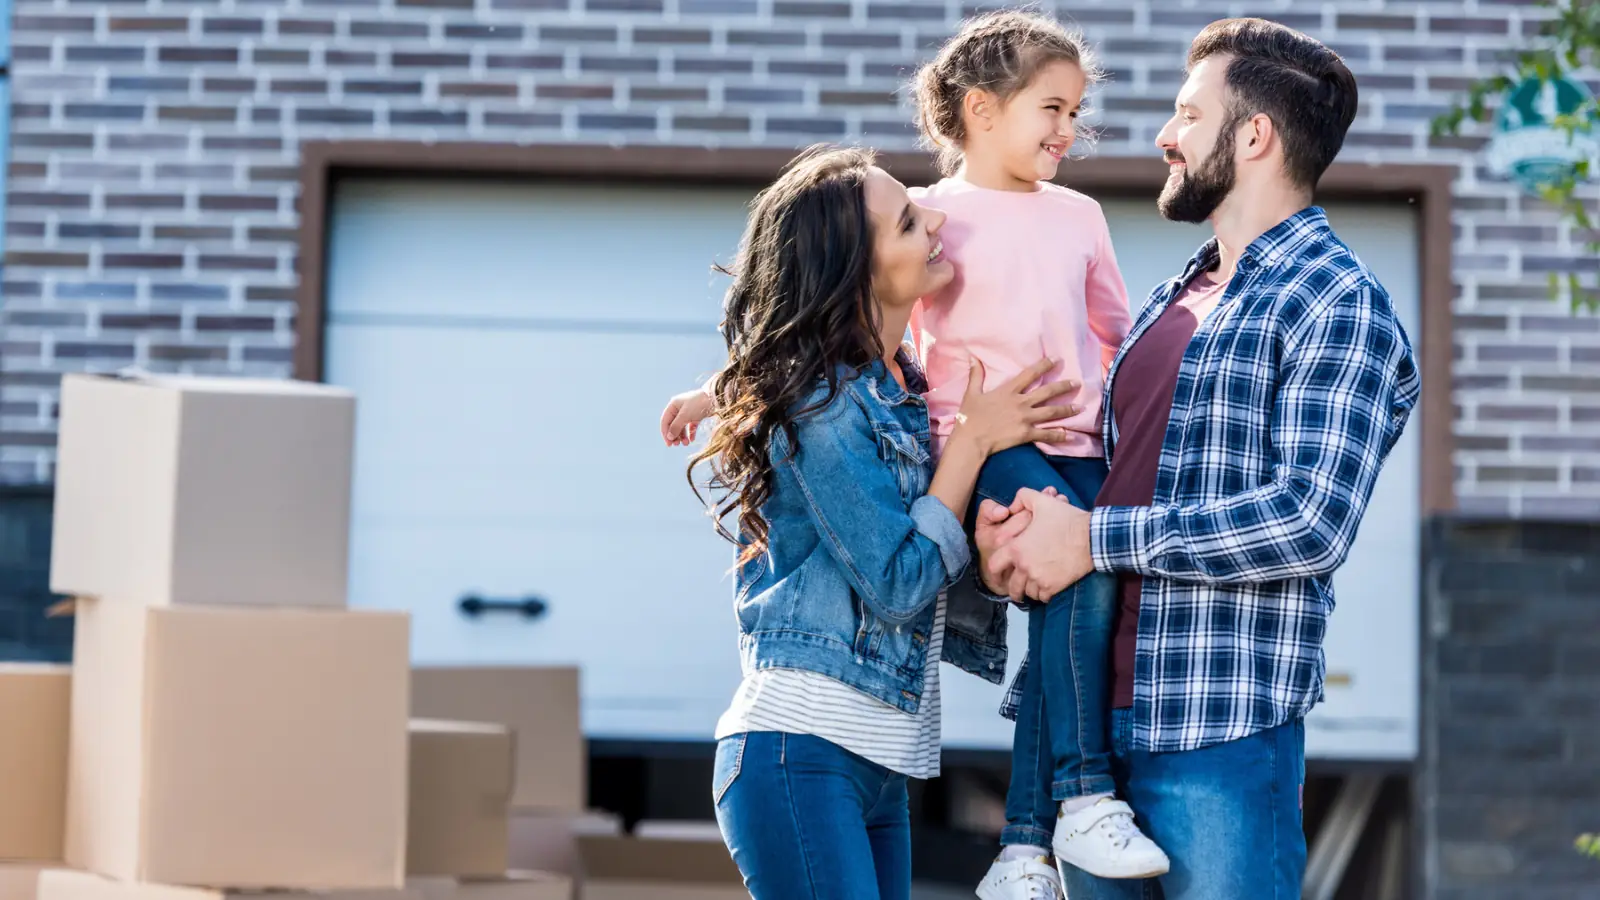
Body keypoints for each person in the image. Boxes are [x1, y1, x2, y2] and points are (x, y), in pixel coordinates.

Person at [976, 19, 1422, 900]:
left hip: (1219, 732)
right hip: (1089, 755)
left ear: (1254, 135)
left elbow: (1309, 521)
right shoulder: (1166, 300)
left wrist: (1094, 541)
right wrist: (1020, 540)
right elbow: (1093, 486)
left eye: (1188, 114)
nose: (1164, 136)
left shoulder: (1336, 302)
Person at [674, 145, 1080, 900]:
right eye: (907, 222)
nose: (936, 221)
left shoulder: (901, 391)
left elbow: (926, 562)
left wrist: (993, 555)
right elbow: (895, 582)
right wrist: (973, 442)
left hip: (880, 768)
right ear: (856, 272)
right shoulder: (824, 410)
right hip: (802, 754)